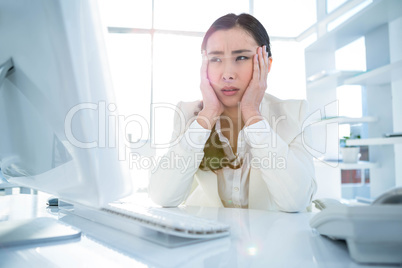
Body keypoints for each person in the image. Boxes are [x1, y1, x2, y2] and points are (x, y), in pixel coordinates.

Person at [149, 13, 316, 212]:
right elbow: (163, 196)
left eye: (242, 57)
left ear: (266, 64)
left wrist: (253, 115)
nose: (227, 74)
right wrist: (207, 116)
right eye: (216, 59)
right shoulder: (188, 114)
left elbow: (296, 202)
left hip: (273, 239)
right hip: (209, 237)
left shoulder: (294, 113)